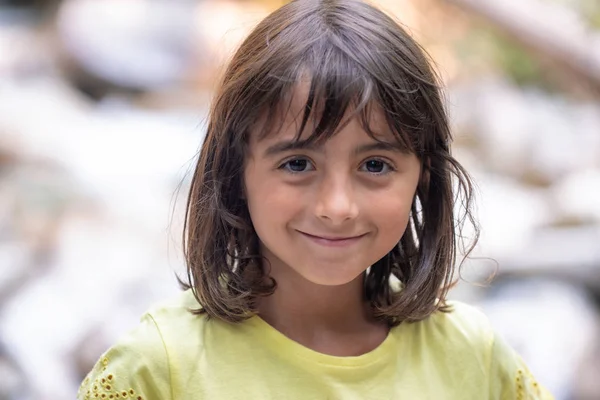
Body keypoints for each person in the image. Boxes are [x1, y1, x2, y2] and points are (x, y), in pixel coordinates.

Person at [77, 0, 553, 399]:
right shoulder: (158, 369)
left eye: (375, 166)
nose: (337, 205)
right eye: (298, 164)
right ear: (235, 171)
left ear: (422, 176)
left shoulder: (474, 358)